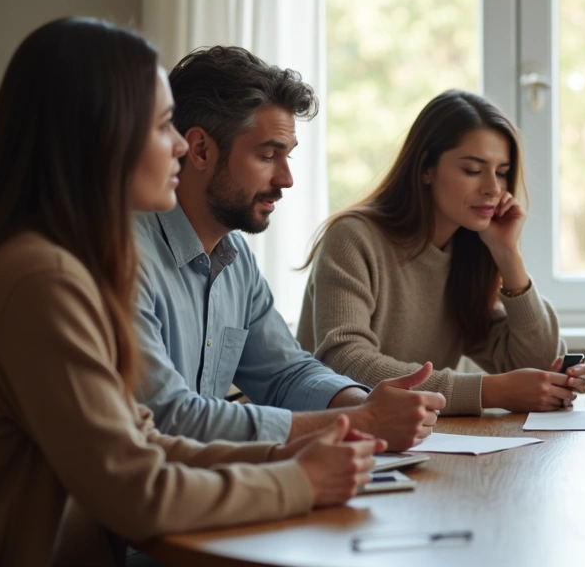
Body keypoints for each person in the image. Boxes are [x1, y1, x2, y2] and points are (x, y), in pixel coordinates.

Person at [0, 18, 382, 566]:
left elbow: (138, 440)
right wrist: (296, 481)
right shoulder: (41, 278)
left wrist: (280, 454)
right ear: (101, 137)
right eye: (162, 126)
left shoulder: (56, 261)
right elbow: (137, 491)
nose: (179, 146)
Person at [133, 46, 443, 452]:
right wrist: (364, 420)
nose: (287, 179)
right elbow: (170, 418)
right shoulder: (125, 257)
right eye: (267, 155)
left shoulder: (235, 258)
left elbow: (285, 374)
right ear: (201, 150)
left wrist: (367, 404)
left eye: (288, 157)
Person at [297, 90, 581, 416]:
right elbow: (345, 361)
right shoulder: (353, 238)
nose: (493, 188)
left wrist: (508, 255)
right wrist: (490, 391)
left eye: (502, 172)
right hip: (327, 437)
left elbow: (540, 364)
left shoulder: (470, 251)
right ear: (426, 169)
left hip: (417, 439)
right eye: (473, 170)